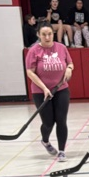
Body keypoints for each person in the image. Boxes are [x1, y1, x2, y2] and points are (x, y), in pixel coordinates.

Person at [25, 24, 74, 160]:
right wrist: (44, 88)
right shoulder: (34, 51)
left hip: (61, 89)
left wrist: (69, 68)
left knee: (61, 121)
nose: (47, 37)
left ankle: (62, 151)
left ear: (53, 34)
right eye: (44, 34)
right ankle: (45, 140)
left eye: (50, 34)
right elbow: (30, 72)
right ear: (38, 35)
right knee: (48, 122)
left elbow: (70, 63)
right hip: (41, 92)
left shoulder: (61, 47)